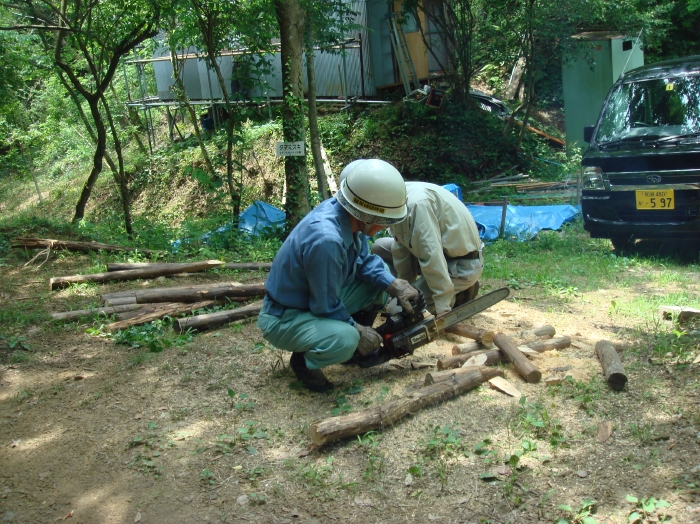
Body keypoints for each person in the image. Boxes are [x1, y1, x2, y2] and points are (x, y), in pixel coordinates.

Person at [257, 159, 420, 392]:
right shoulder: (327, 240)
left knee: (380, 279)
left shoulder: (347, 217)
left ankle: (355, 350)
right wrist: (355, 329)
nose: (383, 227)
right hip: (286, 316)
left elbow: (363, 261)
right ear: (366, 213)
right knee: (345, 338)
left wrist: (394, 285)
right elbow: (325, 304)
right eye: (383, 221)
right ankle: (305, 363)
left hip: (313, 300)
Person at [370, 181, 483, 316]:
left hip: (461, 265)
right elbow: (401, 247)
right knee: (380, 246)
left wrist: (443, 307)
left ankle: (455, 295)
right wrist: (403, 288)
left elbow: (432, 256)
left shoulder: (416, 205)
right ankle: (427, 290)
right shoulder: (393, 199)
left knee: (396, 310)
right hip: (438, 257)